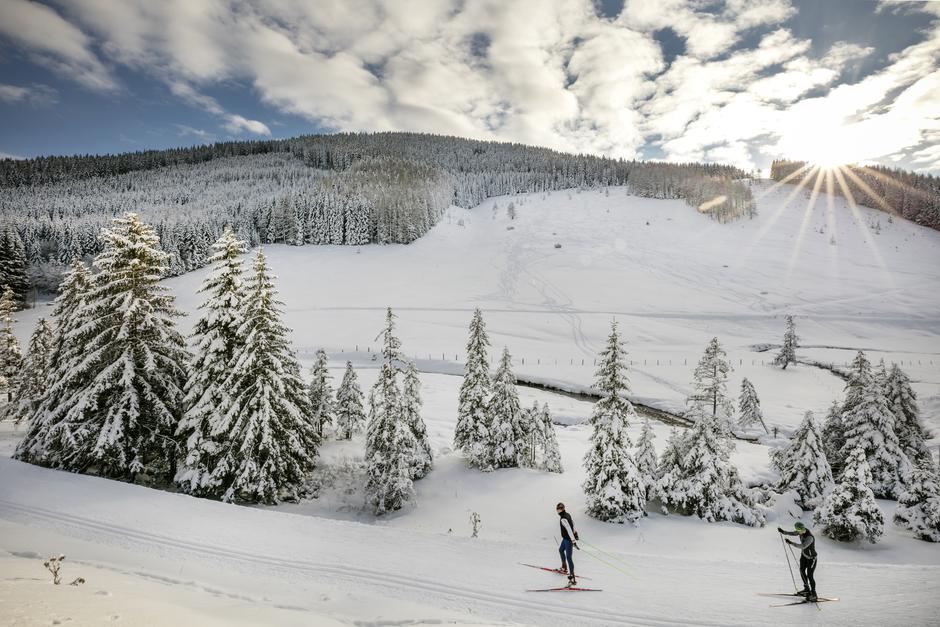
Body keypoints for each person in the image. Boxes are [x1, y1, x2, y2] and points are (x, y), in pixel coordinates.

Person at [778, 522, 818, 601]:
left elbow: (803, 546)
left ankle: (814, 594)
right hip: (804, 556)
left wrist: (791, 543)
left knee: (810, 575)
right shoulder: (800, 532)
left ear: (803, 528)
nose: (799, 532)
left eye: (800, 530)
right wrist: (783, 532)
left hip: (812, 558)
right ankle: (807, 589)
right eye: (798, 530)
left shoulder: (809, 537)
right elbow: (793, 533)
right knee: (802, 571)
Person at [556, 502, 579, 586]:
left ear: (561, 509)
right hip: (565, 539)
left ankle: (572, 578)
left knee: (569, 557)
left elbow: (569, 529)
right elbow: (573, 524)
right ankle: (564, 567)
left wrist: (573, 540)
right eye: (558, 509)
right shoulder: (567, 514)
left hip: (568, 540)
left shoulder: (563, 518)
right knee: (561, 550)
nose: (558, 510)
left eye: (559, 509)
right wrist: (575, 533)